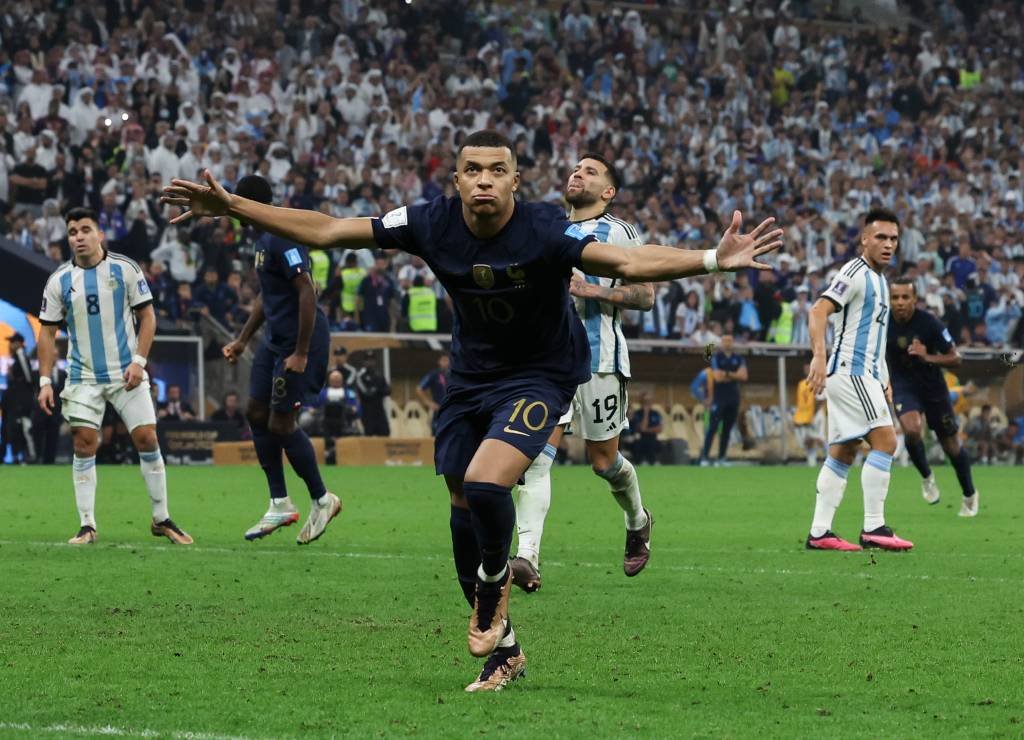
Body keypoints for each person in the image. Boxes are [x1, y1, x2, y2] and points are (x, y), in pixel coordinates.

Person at [162, 129, 782, 693]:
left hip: (541, 375)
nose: (484, 179)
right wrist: (235, 206)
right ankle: (504, 652)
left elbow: (626, 263)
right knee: (461, 500)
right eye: (472, 170)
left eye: (497, 170)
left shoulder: (545, 229)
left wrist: (710, 260)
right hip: (469, 380)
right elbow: (328, 229)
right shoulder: (429, 222)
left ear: (516, 181)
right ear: (455, 180)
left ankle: (492, 587)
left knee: (489, 485)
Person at [510, 154, 655, 593]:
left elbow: (646, 295)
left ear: (608, 192)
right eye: (575, 169)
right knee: (535, 458)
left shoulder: (620, 233)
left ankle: (638, 520)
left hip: (599, 358)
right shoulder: (550, 228)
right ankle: (527, 558)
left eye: (590, 171)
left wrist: (592, 289)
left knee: (603, 462)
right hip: (547, 363)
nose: (578, 174)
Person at [36, 207, 192, 545]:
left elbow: (148, 317)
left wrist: (139, 360)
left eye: (85, 229)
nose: (78, 236)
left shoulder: (125, 269)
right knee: (84, 443)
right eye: (73, 231)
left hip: (126, 373)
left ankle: (161, 517)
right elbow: (47, 334)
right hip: (83, 376)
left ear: (100, 233)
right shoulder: (59, 280)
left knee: (147, 439)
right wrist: (45, 381)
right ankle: (87, 525)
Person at [220, 175, 340, 544]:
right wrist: (242, 340)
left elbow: (306, 290)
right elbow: (268, 297)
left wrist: (301, 352)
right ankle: (280, 502)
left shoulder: (281, 234)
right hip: (273, 341)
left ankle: (323, 499)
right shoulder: (262, 238)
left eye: (236, 201)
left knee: (282, 424)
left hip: (298, 343)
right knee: (256, 413)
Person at [805, 208, 911, 552]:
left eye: (893, 239)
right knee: (886, 442)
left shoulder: (881, 281)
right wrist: (819, 356)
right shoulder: (854, 272)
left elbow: (873, 336)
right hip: (851, 371)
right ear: (864, 239)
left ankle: (820, 532)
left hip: (864, 373)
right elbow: (818, 310)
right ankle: (874, 527)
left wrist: (885, 377)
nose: (888, 244)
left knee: (844, 451)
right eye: (880, 237)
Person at [887, 278, 978, 516]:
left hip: (934, 389)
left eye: (905, 297)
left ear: (915, 300)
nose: (900, 302)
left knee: (951, 445)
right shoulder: (882, 324)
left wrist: (927, 357)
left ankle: (969, 494)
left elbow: (956, 359)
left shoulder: (929, 323)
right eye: (895, 297)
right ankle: (927, 477)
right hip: (903, 385)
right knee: (912, 428)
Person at [699, 334, 747, 466]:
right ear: (721, 342)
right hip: (719, 398)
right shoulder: (716, 358)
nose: (728, 343)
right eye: (725, 340)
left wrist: (725, 373)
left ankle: (721, 458)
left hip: (733, 398)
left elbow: (744, 376)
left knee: (727, 429)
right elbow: (717, 377)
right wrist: (734, 375)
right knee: (712, 428)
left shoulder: (739, 358)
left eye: (730, 340)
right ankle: (704, 457)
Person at [1, 332, 36, 463]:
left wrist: (26, 396)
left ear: (19, 343)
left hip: (19, 401)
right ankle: (18, 456)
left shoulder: (21, 354)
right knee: (13, 428)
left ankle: (29, 456)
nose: (10, 345)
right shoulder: (17, 357)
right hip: (14, 400)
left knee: (22, 428)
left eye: (13, 342)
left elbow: (28, 378)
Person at [793, 361, 824, 467]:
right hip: (805, 416)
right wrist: (799, 417)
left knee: (819, 439)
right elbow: (800, 402)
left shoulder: (819, 381)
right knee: (808, 440)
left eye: (808, 367)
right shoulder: (801, 383)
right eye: (805, 368)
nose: (806, 370)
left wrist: (813, 415)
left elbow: (820, 400)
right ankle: (812, 462)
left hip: (816, 415)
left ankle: (831, 460)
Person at [417, 354, 451, 435]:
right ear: (439, 362)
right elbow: (419, 389)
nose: (446, 363)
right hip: (438, 411)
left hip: (452, 411)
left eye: (447, 360)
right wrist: (428, 403)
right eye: (443, 360)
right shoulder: (433, 374)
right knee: (437, 436)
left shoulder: (454, 375)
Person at [629, 393, 664, 465]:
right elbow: (642, 428)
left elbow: (660, 429)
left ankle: (653, 462)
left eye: (649, 401)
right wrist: (646, 413)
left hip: (652, 438)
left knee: (655, 443)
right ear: (641, 402)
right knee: (638, 444)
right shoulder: (637, 413)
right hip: (640, 438)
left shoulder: (655, 413)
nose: (647, 403)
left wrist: (648, 430)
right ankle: (641, 462)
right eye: (645, 401)